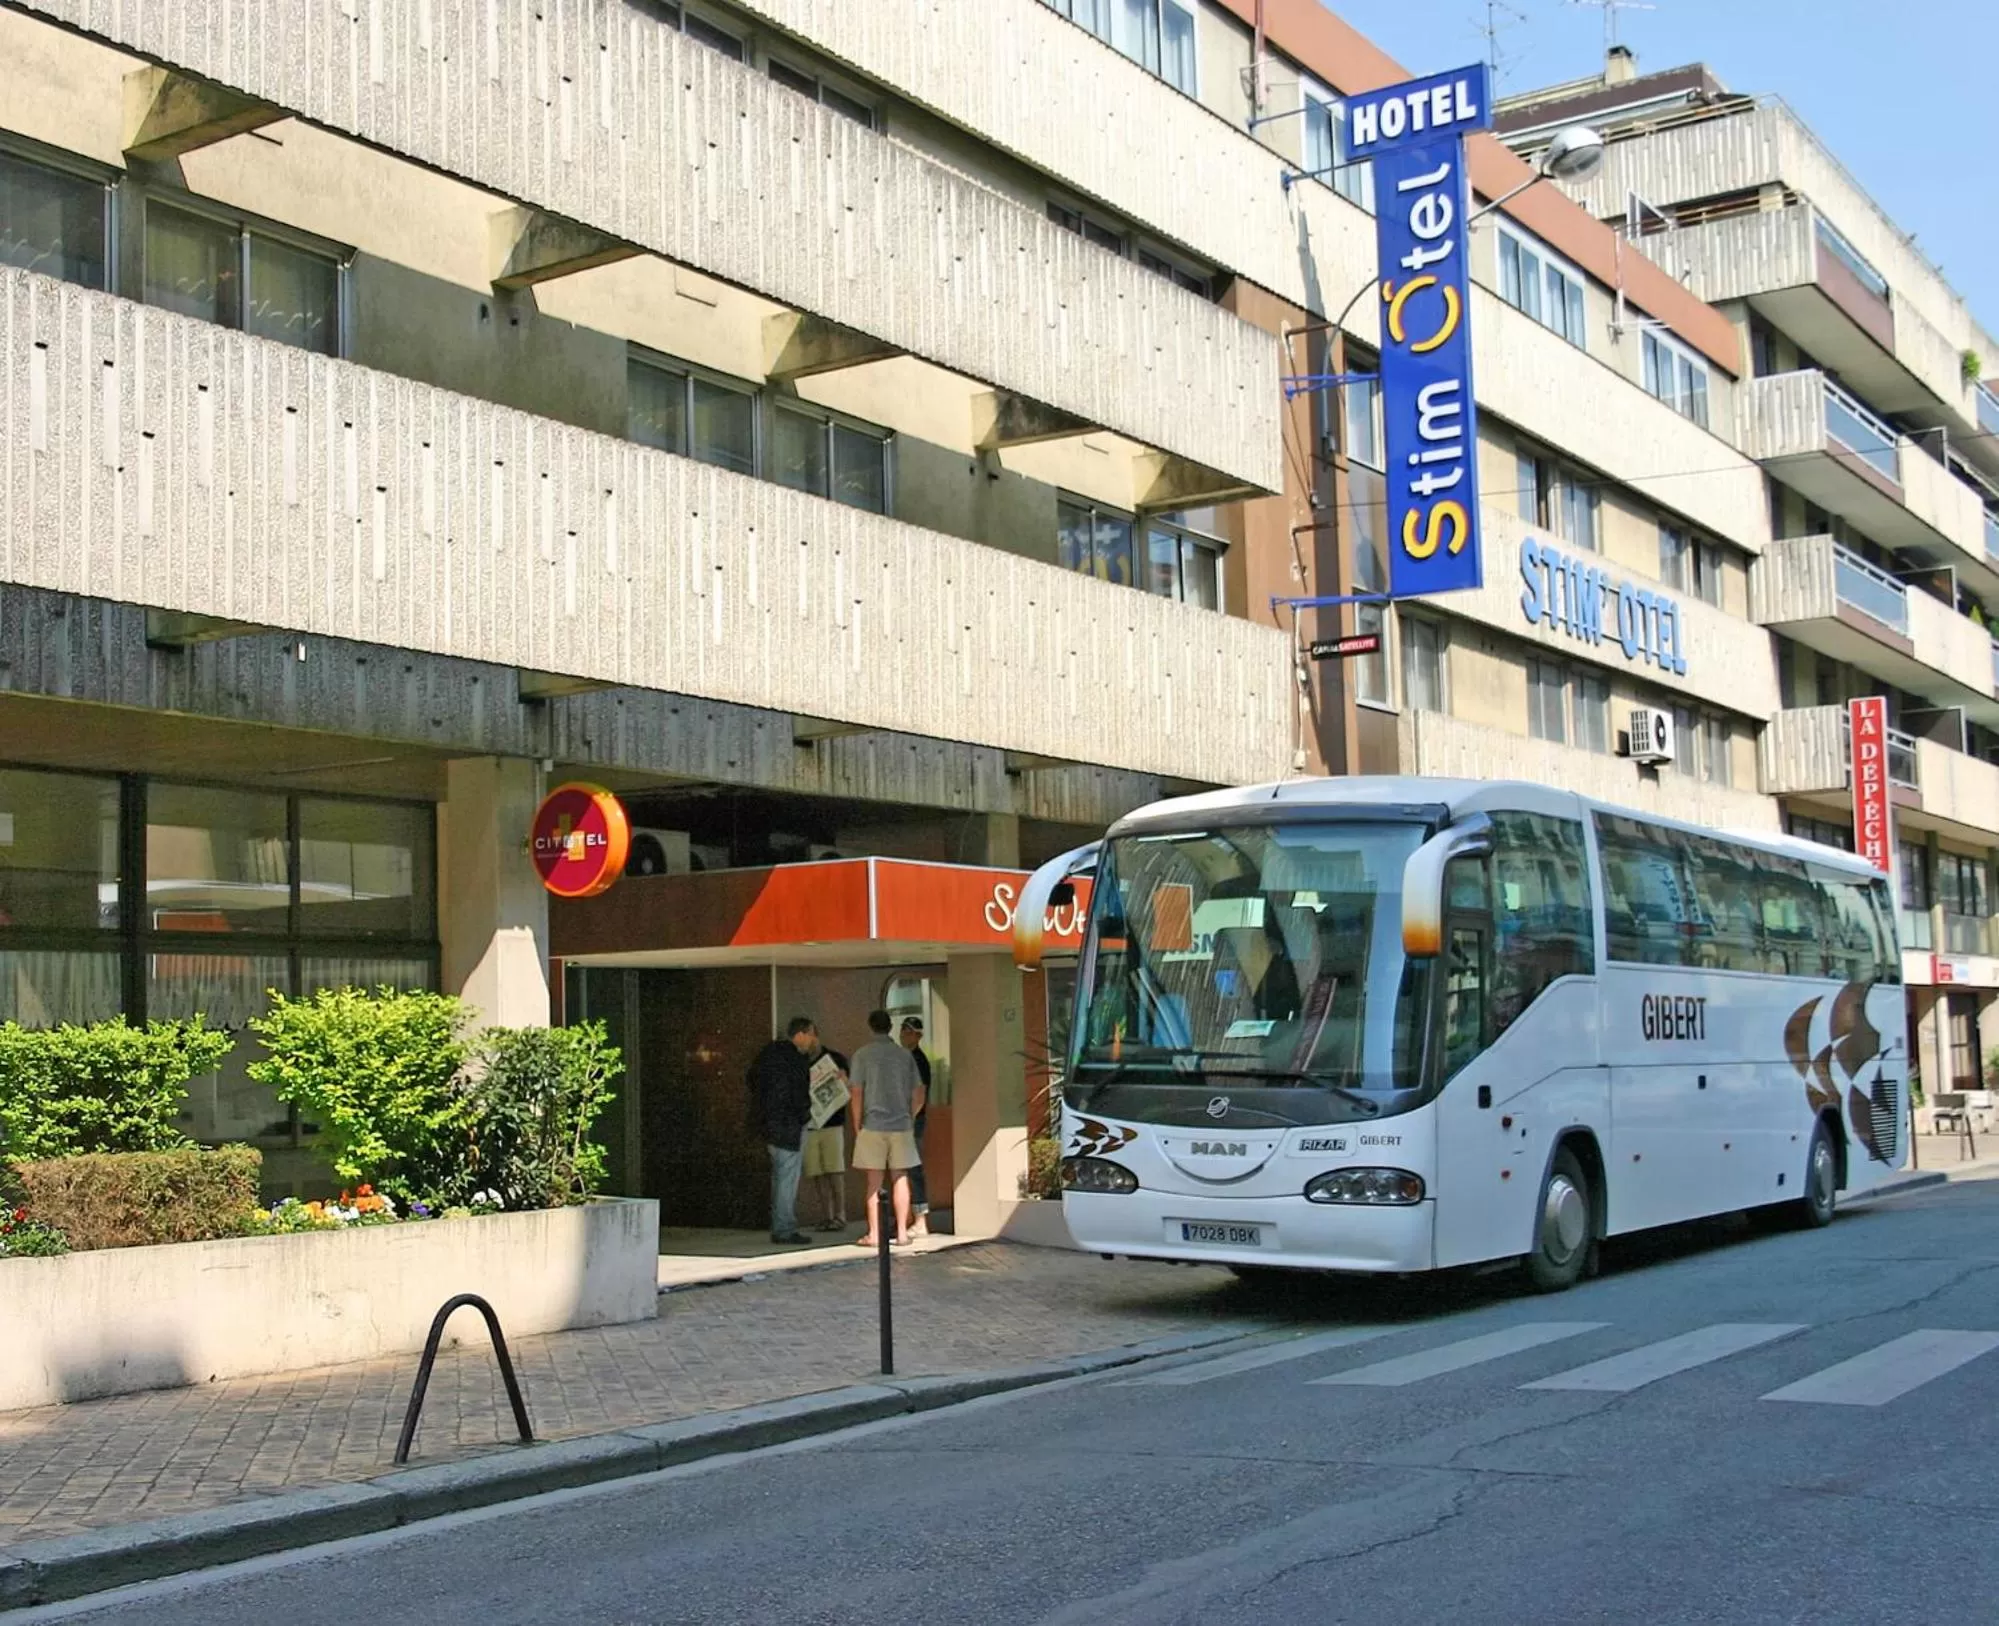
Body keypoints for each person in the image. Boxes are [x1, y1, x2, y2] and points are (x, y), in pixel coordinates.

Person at [848, 1008, 925, 1248]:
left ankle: (874, 1234)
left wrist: (857, 1122)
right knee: (900, 1176)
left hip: (873, 1124)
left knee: (874, 1181)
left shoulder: (862, 1055)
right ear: (890, 1027)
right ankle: (902, 1232)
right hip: (901, 1124)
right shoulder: (904, 1056)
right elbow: (919, 1091)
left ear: (871, 1027)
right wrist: (909, 1116)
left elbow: (857, 1091)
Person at [746, 1016, 817, 1246]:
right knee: (787, 1178)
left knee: (779, 1176)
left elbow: (752, 1079)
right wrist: (804, 1114)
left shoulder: (769, 1054)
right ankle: (784, 1228)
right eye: (811, 1034)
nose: (813, 1040)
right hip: (789, 1126)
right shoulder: (796, 1060)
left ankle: (781, 1224)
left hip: (768, 1124)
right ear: (800, 1034)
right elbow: (798, 1094)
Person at [803, 1037, 850, 1232]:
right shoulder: (800, 1061)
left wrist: (843, 1079)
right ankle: (827, 1215)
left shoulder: (835, 1058)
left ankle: (840, 1214)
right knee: (817, 1172)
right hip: (811, 1123)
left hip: (833, 1122)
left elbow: (849, 1084)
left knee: (835, 1171)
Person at [899, 1016, 933, 1239]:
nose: (905, 1034)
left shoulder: (918, 1060)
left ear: (918, 1036)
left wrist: (909, 1119)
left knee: (913, 1169)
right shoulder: (904, 1058)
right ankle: (908, 1217)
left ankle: (920, 1219)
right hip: (904, 1120)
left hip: (913, 1122)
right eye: (903, 1030)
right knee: (905, 1169)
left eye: (910, 1031)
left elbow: (919, 1095)